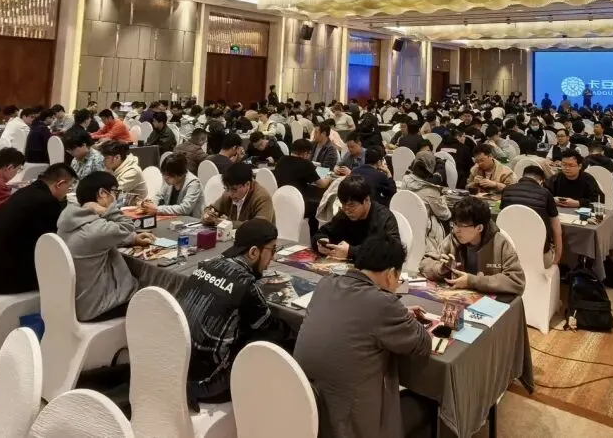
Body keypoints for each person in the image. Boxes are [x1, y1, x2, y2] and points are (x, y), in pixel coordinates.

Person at [295, 237, 433, 438]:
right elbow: (423, 343)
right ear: (391, 274)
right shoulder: (383, 304)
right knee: (428, 405)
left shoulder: (326, 284)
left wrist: (397, 314)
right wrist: (397, 312)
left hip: (308, 411)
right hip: (350, 424)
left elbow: (358, 314)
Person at [178, 219, 290, 405]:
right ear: (253, 252)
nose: (273, 257)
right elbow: (270, 327)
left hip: (177, 364)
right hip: (205, 383)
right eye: (272, 250)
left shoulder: (207, 264)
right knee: (274, 343)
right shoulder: (245, 284)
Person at [57, 171, 155, 322]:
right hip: (98, 306)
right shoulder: (96, 230)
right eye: (115, 192)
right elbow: (128, 226)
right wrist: (107, 210)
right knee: (155, 295)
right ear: (103, 193)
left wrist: (133, 239)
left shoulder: (69, 221)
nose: (116, 198)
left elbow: (99, 240)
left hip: (75, 302)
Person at [0, 163, 76, 294]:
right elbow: (52, 243)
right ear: (60, 184)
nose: (67, 192)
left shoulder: (23, 192)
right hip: (15, 279)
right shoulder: (47, 202)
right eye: (69, 187)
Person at [420, 197, 524, 294]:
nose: (456, 230)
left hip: (489, 301)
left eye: (462, 226)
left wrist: (472, 281)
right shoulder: (453, 239)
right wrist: (439, 269)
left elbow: (516, 281)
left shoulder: (500, 243)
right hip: (459, 298)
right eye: (454, 224)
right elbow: (424, 263)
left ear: (479, 228)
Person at [313, 175, 401, 260]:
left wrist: (352, 252)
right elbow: (323, 232)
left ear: (366, 200)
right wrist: (320, 242)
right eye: (343, 205)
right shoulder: (344, 214)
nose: (347, 211)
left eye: (352, 205)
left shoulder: (383, 217)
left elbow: (394, 251)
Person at [500, 164, 563, 268]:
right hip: (539, 259)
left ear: (522, 176)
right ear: (541, 181)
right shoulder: (546, 193)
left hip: (509, 255)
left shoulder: (507, 190)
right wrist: (557, 258)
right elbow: (557, 230)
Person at [275, 138, 337, 227]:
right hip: (298, 203)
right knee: (320, 204)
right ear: (305, 153)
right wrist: (329, 177)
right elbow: (322, 185)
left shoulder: (282, 160)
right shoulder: (306, 164)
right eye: (309, 154)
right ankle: (314, 231)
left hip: (280, 201)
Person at [398, 151, 451, 253]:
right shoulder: (432, 190)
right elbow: (445, 215)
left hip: (404, 228)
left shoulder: (405, 180)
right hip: (425, 234)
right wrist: (442, 199)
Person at [202, 161, 275, 226]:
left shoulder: (262, 197)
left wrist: (230, 224)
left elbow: (261, 226)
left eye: (234, 189)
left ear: (247, 184)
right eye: (227, 188)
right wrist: (208, 216)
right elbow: (211, 209)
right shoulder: (228, 193)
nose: (230, 194)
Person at [141, 153, 203, 217]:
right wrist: (150, 203)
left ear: (178, 176)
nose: (164, 178)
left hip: (190, 220)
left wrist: (157, 209)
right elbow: (160, 195)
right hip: (172, 218)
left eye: (167, 176)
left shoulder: (194, 183)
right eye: (163, 174)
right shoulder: (169, 179)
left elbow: (185, 209)